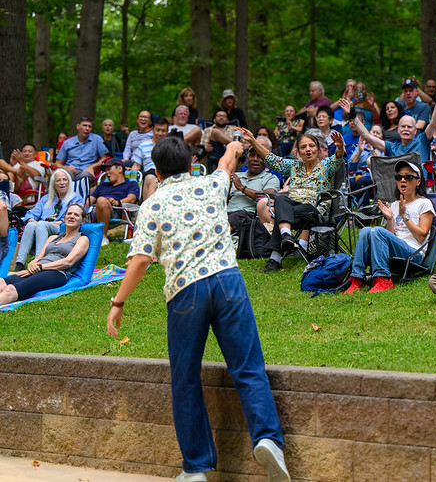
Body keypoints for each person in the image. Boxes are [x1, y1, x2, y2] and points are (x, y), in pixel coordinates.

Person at [106, 136, 289, 482]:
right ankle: (268, 439)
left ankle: (196, 468)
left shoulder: (153, 205)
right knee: (248, 368)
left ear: (156, 172)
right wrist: (237, 145)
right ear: (191, 163)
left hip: (186, 291)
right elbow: (226, 164)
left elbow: (141, 259)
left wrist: (118, 303)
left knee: (186, 379)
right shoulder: (211, 184)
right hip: (228, 283)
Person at [247, 127, 345, 273]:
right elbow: (272, 159)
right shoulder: (294, 166)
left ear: (318, 150)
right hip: (293, 208)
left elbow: (338, 158)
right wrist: (254, 142)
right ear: (298, 152)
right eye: (303, 147)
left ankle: (276, 257)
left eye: (311, 146)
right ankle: (286, 236)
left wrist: (340, 148)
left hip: (315, 209)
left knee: (281, 213)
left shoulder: (326, 165)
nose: (308, 149)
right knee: (281, 200)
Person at [344, 161, 435, 294]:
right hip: (395, 250)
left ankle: (383, 279)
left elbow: (421, 237)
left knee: (376, 231)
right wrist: (390, 219)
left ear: (418, 182)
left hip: (414, 253)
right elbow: (386, 237)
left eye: (408, 177)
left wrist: (404, 216)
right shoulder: (394, 205)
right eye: (399, 177)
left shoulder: (424, 204)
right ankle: (357, 279)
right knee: (365, 231)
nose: (403, 180)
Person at [0, 203, 90, 306]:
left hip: (56, 273)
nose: (72, 216)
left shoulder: (82, 239)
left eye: (76, 215)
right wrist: (32, 265)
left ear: (82, 221)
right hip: (39, 269)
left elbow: (68, 262)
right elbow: (38, 258)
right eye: (69, 213)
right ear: (64, 217)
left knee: (10, 290)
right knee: (1, 282)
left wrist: (41, 267)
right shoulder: (52, 238)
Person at [14, 169, 84, 272]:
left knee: (41, 224)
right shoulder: (46, 199)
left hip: (61, 228)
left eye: (64, 180)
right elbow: (30, 213)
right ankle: (20, 263)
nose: (62, 183)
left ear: (69, 182)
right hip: (41, 226)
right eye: (58, 180)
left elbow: (69, 220)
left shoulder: (75, 198)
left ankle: (38, 261)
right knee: (31, 225)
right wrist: (31, 220)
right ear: (53, 184)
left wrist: (43, 223)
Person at [346, 94, 436, 163]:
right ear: (398, 130)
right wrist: (353, 116)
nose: (406, 129)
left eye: (409, 127)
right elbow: (367, 136)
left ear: (415, 130)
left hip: (419, 185)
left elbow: (433, 123)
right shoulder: (392, 148)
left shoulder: (422, 140)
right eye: (403, 127)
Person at [228, 147, 281, 231]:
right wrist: (228, 187)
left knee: (234, 218)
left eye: (260, 156)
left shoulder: (270, 178)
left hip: (247, 214)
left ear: (266, 161)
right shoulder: (237, 175)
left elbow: (268, 197)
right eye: (252, 155)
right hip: (226, 212)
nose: (255, 159)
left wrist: (242, 188)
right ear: (247, 159)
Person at [89, 158, 139, 245]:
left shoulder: (131, 184)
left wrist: (118, 202)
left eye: (109, 169)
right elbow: (90, 199)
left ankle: (103, 237)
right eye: (105, 170)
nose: (106, 172)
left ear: (119, 168)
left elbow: (132, 198)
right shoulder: (103, 185)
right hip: (95, 210)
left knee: (101, 200)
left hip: (116, 210)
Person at [55, 116, 109, 182]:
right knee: (61, 176)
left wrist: (92, 167)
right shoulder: (67, 142)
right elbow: (57, 163)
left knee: (85, 178)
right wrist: (66, 168)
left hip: (86, 171)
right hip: (69, 171)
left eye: (89, 126)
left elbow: (105, 158)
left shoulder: (97, 139)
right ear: (78, 126)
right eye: (84, 125)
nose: (87, 128)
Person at [131, 117, 170, 201]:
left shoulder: (171, 147)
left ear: (167, 131)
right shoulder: (143, 145)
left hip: (167, 174)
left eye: (163, 131)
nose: (160, 133)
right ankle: (147, 208)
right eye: (158, 130)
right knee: (150, 178)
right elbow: (136, 166)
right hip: (150, 173)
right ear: (152, 129)